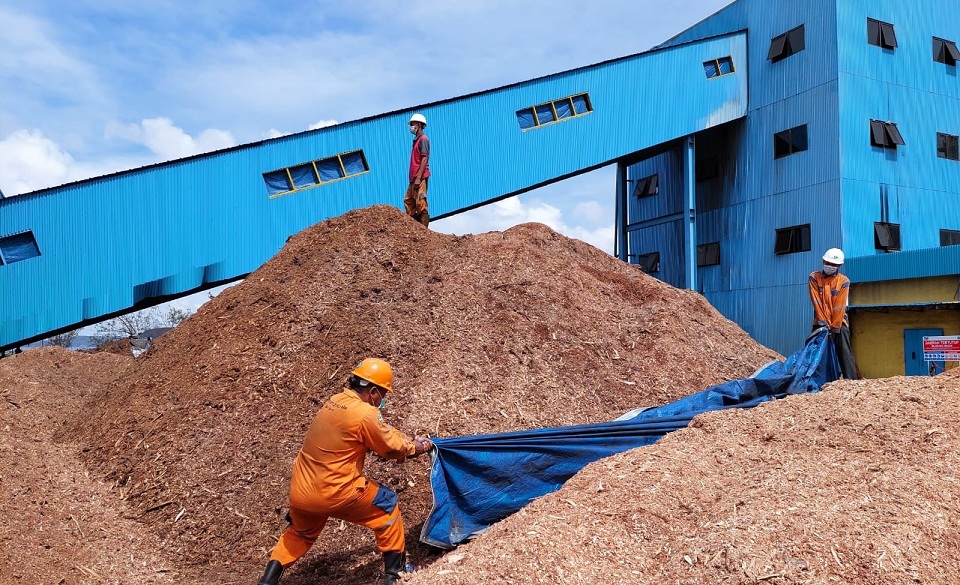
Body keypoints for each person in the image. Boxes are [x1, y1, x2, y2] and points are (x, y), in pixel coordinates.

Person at [256, 358, 434, 585]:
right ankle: (396, 575)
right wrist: (415, 448)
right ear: (372, 391)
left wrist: (408, 439)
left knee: (300, 533)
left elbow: (382, 431)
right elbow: (389, 447)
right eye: (383, 394)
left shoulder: (335, 401)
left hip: (302, 492)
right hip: (336, 492)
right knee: (387, 505)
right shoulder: (364, 414)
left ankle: (267, 581)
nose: (383, 399)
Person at [809, 248, 859, 379]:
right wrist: (824, 325)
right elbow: (817, 302)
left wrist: (834, 328)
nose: (830, 266)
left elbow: (839, 306)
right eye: (828, 263)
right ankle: (818, 381)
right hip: (820, 322)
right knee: (816, 351)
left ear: (839, 266)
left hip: (839, 323)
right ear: (823, 261)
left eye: (834, 264)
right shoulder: (814, 278)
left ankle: (851, 381)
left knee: (844, 351)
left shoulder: (843, 281)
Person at [403, 113, 431, 227]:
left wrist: (419, 177)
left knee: (420, 201)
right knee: (408, 200)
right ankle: (413, 227)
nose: (411, 127)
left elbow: (424, 159)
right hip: (413, 177)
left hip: (420, 177)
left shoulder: (423, 140)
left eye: (413, 124)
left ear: (419, 125)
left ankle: (423, 229)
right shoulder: (416, 140)